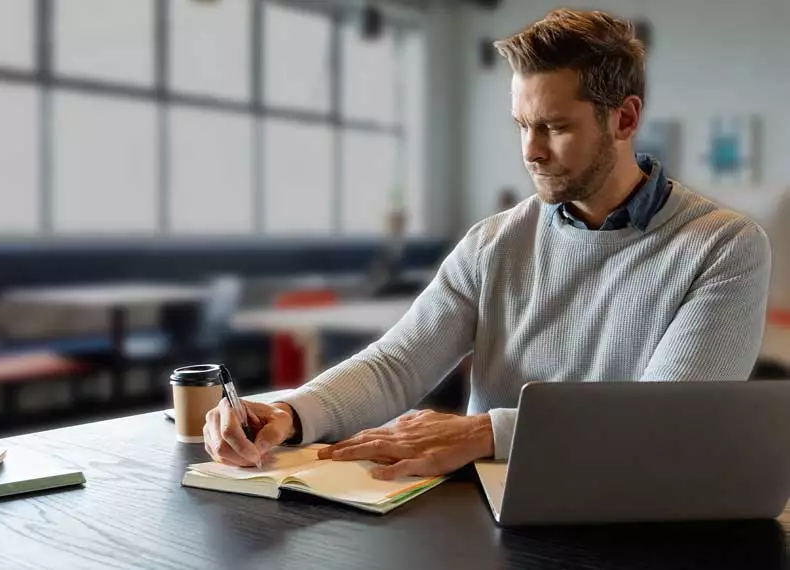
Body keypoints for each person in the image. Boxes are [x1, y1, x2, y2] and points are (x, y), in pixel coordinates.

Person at [204, 9, 771, 480]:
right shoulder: (494, 242)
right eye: (522, 125)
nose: (531, 151)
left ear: (623, 119)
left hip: (625, 520)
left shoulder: (725, 247)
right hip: (480, 515)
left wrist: (485, 430)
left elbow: (667, 423)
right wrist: (288, 410)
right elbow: (396, 364)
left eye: (555, 126)